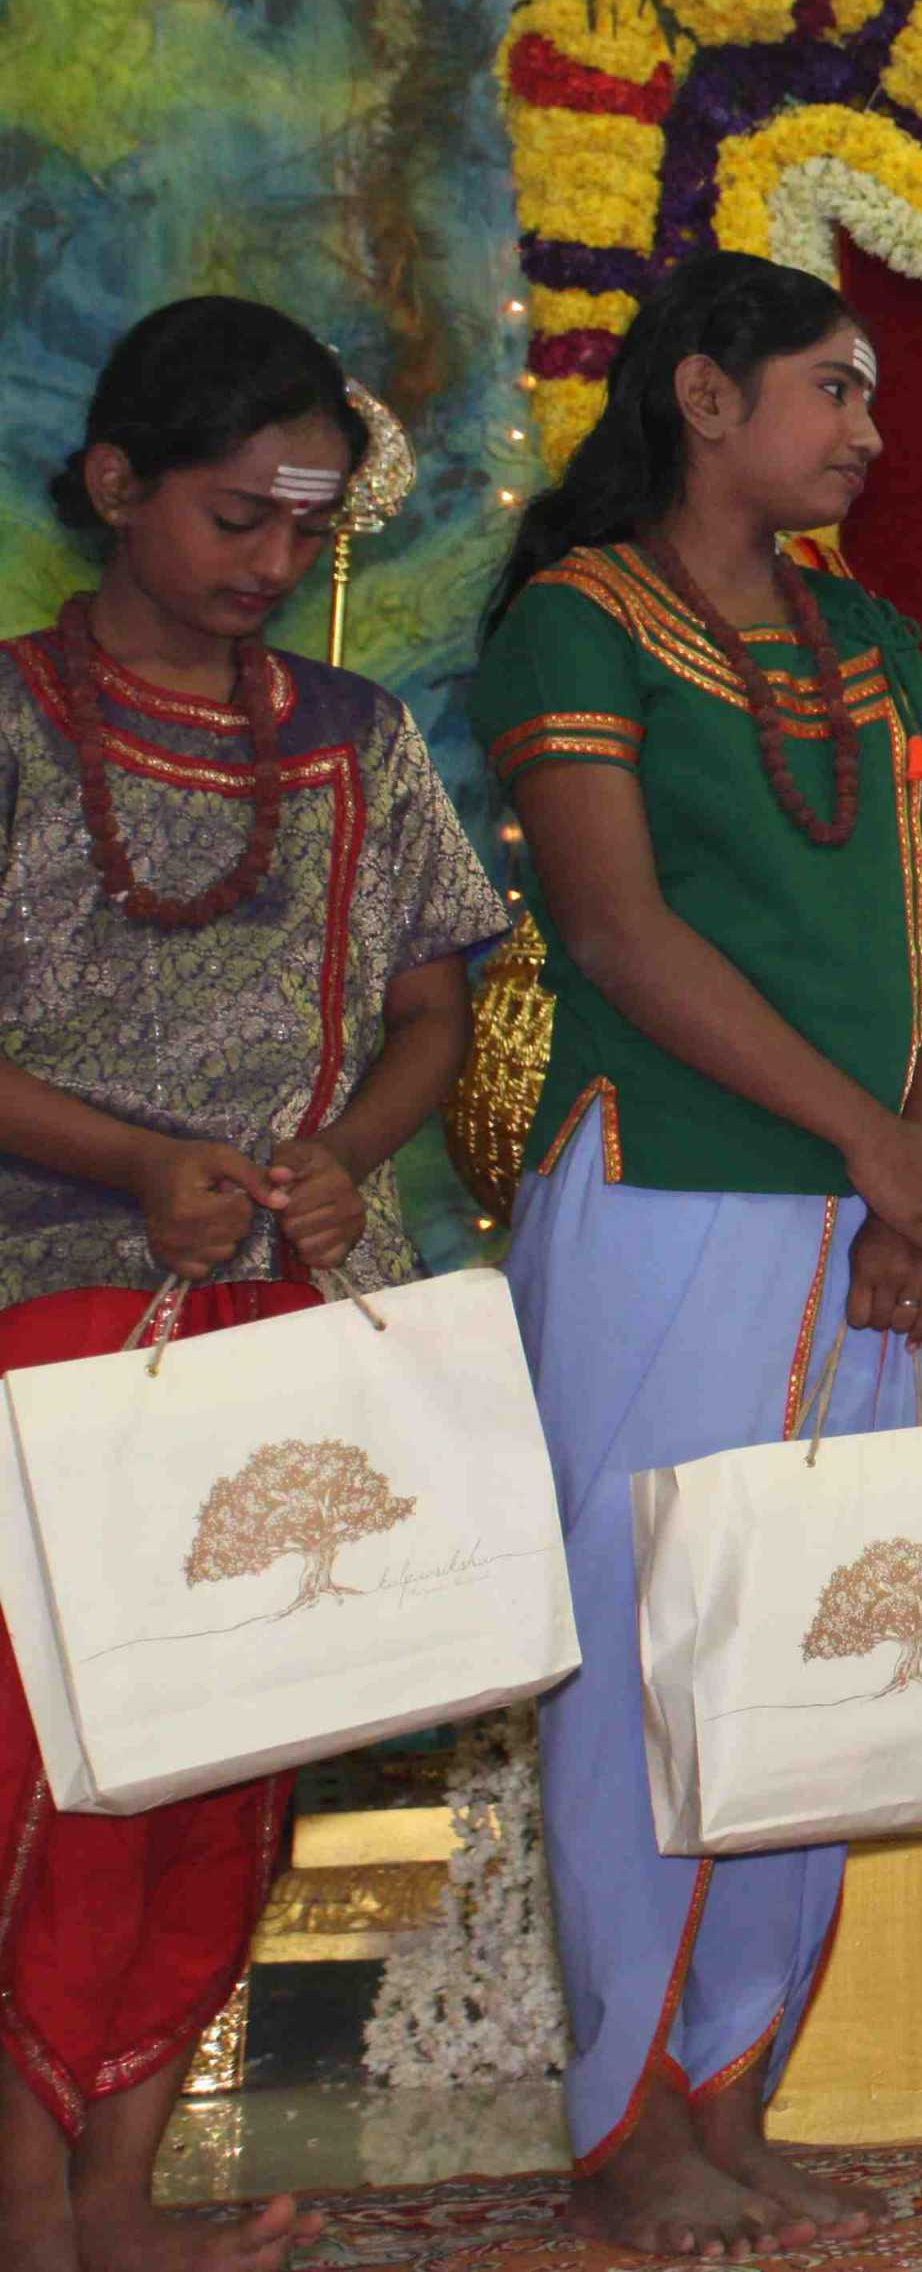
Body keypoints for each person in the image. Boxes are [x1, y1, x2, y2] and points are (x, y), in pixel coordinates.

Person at [473, 249, 922, 2250]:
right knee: (650, 1652)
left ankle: (735, 2093)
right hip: (669, 1194)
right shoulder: (575, 621)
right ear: (705, 397)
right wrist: (876, 1145)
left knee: (823, 1644)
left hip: (871, 1211)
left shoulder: (877, 636)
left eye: (871, 395)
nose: (868, 431)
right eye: (832, 388)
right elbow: (618, 935)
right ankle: (628, 2128)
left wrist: (918, 1176)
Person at [0, 302, 506, 2272]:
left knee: (215, 1767)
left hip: (282, 1313)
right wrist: (133, 1164)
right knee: (44, 1772)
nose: (273, 562)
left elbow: (431, 1008)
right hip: (46, 1305)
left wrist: (348, 1153)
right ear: (116, 483)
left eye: (306, 528)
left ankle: (120, 2205)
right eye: (237, 516)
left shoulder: (355, 737)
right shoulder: (12, 719)